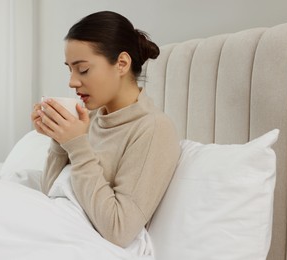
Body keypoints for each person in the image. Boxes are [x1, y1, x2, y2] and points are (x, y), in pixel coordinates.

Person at [31, 11, 180, 248]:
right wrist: (58, 140)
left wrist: (77, 145)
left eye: (83, 69)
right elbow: (51, 193)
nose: (72, 81)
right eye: (69, 69)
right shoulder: (87, 119)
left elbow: (119, 230)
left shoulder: (153, 129)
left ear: (121, 63)